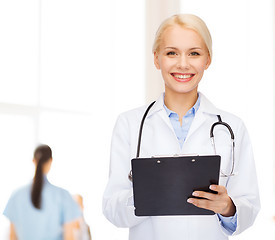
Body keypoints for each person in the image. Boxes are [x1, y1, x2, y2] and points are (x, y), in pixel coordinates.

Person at [102, 14, 260, 240]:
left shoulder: (232, 127)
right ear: (156, 59)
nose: (183, 64)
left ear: (207, 59)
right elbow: (111, 208)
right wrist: (145, 195)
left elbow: (249, 204)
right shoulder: (129, 124)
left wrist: (227, 207)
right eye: (171, 53)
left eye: (194, 53)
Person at [3, 144, 81, 240]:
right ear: (51, 161)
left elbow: (12, 237)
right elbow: (69, 237)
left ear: (33, 161)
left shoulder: (16, 195)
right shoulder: (63, 196)